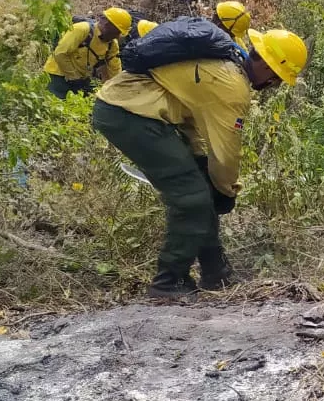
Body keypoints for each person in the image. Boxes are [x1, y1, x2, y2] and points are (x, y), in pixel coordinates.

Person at [91, 28, 308, 297]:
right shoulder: (232, 85)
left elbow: (192, 120)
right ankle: (170, 281)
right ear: (263, 61)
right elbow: (227, 151)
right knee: (192, 197)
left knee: (200, 185)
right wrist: (227, 189)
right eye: (276, 75)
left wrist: (200, 163)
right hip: (129, 113)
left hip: (131, 108)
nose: (274, 83)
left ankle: (215, 271)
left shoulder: (226, 65)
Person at [43, 7, 131, 98]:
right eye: (117, 32)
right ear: (107, 24)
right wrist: (74, 77)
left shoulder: (112, 44)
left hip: (79, 79)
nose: (118, 36)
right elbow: (60, 53)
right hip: (57, 74)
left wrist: (117, 90)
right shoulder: (82, 29)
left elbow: (115, 69)